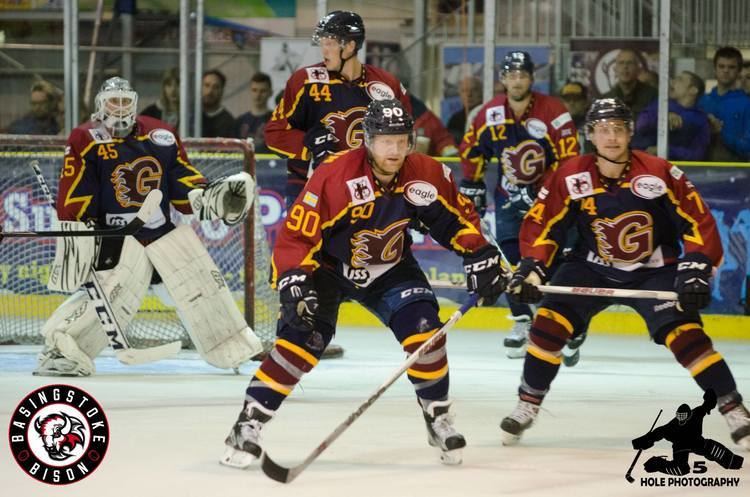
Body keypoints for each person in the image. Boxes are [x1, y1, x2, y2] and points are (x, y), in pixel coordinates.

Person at [220, 99, 508, 469]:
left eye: (402, 140)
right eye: (386, 141)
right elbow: (297, 235)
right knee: (301, 343)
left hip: (390, 266)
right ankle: (248, 423)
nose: (395, 149)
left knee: (426, 335)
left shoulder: (426, 173)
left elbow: (455, 219)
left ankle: (437, 416)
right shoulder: (336, 175)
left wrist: (479, 253)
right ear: (367, 140)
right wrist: (294, 280)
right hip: (328, 267)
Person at [499, 98, 750, 452]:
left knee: (687, 337)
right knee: (548, 325)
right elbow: (543, 224)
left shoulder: (658, 172)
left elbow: (698, 222)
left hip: (654, 269)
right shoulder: (571, 175)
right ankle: (528, 402)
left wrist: (695, 268)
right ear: (590, 135)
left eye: (618, 128)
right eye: (603, 129)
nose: (612, 137)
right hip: (591, 266)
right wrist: (533, 267)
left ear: (631, 132)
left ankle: (734, 407)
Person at [34, 76, 262, 377]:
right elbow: (75, 189)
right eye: (113, 102)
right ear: (100, 105)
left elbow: (180, 175)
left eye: (124, 101)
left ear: (135, 103)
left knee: (201, 284)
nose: (118, 108)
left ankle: (233, 349)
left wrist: (203, 195)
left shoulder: (161, 135)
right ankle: (59, 349)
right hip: (116, 236)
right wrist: (78, 228)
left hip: (160, 231)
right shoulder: (85, 139)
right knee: (111, 296)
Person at [459, 51, 580, 359]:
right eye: (511, 75)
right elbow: (473, 147)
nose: (517, 81)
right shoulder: (489, 113)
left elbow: (571, 161)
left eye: (522, 75)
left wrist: (546, 192)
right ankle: (523, 320)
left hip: (552, 202)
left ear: (531, 78)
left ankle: (562, 322)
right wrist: (472, 182)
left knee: (550, 259)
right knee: (509, 260)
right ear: (503, 79)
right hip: (509, 198)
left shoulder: (553, 111)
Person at [265, 10, 410, 208]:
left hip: (368, 191)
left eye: (330, 44)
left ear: (350, 46)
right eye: (322, 43)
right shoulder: (305, 81)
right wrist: (309, 144)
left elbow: (406, 140)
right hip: (310, 187)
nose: (323, 51)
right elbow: (274, 133)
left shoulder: (387, 84)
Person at [632, 389, 744, 475]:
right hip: (680, 446)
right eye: (679, 416)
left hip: (697, 442)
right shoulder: (672, 425)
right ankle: (657, 463)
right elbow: (657, 433)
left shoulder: (696, 413)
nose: (681, 418)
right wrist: (643, 441)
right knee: (680, 469)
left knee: (714, 449)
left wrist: (711, 394)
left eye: (683, 416)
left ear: (689, 414)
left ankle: (734, 462)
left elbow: (707, 404)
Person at [632, 71, 710, 161]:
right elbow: (641, 124)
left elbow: (697, 154)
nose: (672, 82)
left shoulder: (700, 120)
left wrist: (666, 151)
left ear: (693, 90)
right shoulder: (661, 104)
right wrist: (663, 117)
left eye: (680, 80)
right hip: (642, 163)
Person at [698, 46, 750, 161]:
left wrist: (722, 133)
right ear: (714, 69)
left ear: (739, 71)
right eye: (721, 66)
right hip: (701, 170)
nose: (726, 70)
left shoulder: (747, 104)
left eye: (731, 67)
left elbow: (748, 147)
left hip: (737, 172)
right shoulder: (702, 101)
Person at [602, 48, 657, 122]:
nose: (625, 67)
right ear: (615, 69)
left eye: (630, 63)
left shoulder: (652, 95)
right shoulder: (606, 99)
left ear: (638, 69)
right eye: (621, 63)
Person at [236, 72, 273, 153]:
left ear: (270, 93)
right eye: (254, 90)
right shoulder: (239, 121)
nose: (258, 95)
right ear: (250, 91)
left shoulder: (276, 121)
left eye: (262, 91)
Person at [446, 76, 482, 145]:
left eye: (474, 90)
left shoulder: (488, 116)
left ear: (481, 93)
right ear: (460, 94)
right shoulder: (454, 121)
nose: (469, 95)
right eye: (465, 91)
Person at [201, 69, 236, 138]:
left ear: (222, 91)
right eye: (206, 85)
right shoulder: (193, 117)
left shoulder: (228, 122)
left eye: (215, 87)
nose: (210, 91)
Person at [559, 81, 590, 153]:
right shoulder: (554, 128)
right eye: (567, 99)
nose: (571, 102)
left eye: (576, 98)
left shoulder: (594, 127)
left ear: (585, 102)